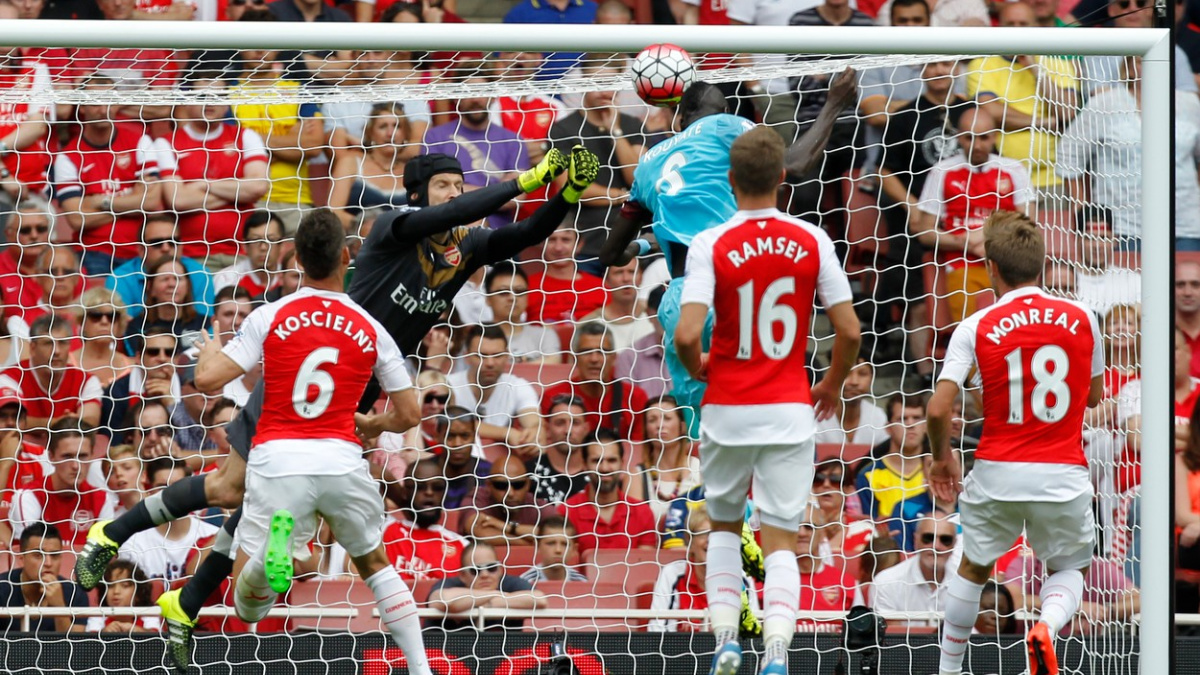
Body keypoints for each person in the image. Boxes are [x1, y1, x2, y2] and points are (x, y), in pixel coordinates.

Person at [74, 147, 596, 639]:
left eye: (459, 186)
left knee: (269, 493)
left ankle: (186, 605)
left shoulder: (469, 247)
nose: (453, 195)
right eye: (442, 186)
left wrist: (568, 191)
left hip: (357, 392)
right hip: (312, 372)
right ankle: (111, 535)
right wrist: (526, 178)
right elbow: (451, 213)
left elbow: (530, 229)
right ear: (417, 194)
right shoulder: (394, 227)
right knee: (233, 487)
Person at [162, 210, 428, 673]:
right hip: (341, 459)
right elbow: (410, 414)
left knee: (250, 609)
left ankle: (270, 561)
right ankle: (421, 669)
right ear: (347, 256)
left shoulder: (271, 314)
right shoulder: (370, 326)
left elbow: (206, 381)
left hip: (278, 460)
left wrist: (207, 351)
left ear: (296, 260)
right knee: (376, 565)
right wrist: (372, 423)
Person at [673, 125, 859, 675]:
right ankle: (776, 653)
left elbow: (686, 335)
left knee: (725, 525)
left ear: (730, 181)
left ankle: (726, 642)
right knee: (780, 538)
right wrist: (829, 384)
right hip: (788, 408)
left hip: (728, 406)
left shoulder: (712, 242)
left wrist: (699, 368)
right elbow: (848, 331)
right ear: (783, 177)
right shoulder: (812, 239)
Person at [601, 72, 858, 411]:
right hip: (733, 291)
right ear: (722, 111)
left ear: (680, 117)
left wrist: (645, 245)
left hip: (681, 301)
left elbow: (610, 254)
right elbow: (795, 163)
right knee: (759, 413)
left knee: (703, 431)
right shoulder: (726, 127)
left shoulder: (649, 161)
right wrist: (834, 103)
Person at [926, 210, 1105, 675]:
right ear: (1042, 264)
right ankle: (1044, 627)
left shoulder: (977, 325)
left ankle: (949, 669)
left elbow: (938, 408)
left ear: (992, 268)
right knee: (1069, 568)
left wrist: (943, 458)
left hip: (997, 469)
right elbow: (1094, 396)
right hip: (1063, 471)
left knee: (974, 565)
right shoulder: (1084, 317)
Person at [913, 105, 1034, 322]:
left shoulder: (1014, 169)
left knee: (1014, 330)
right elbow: (926, 233)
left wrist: (986, 239)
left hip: (1009, 267)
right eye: (969, 138)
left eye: (984, 138)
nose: (977, 145)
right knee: (972, 335)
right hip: (962, 265)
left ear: (995, 136)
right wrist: (967, 243)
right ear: (959, 137)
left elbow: (1029, 224)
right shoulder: (942, 171)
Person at [55, 74, 164, 277]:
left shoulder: (140, 141)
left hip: (140, 252)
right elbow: (77, 219)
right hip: (94, 253)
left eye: (109, 101)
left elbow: (151, 201)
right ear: (82, 107)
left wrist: (100, 201)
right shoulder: (67, 157)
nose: (103, 109)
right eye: (96, 102)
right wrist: (132, 200)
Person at [161, 73, 271, 270]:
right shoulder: (166, 143)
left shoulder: (246, 136)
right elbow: (178, 200)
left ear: (227, 103)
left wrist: (205, 185)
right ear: (187, 101)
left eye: (217, 97)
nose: (210, 103)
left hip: (243, 254)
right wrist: (238, 192)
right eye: (203, 97)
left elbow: (258, 187)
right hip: (191, 257)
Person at [648, 503, 762, 634]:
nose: (711, 540)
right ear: (689, 541)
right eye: (703, 533)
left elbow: (752, 635)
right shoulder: (672, 574)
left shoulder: (742, 578)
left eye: (717, 535)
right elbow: (656, 631)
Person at [540, 321, 649, 441]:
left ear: (613, 358)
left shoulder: (635, 398)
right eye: (586, 352)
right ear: (575, 358)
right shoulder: (552, 398)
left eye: (602, 352)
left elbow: (638, 451)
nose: (594, 359)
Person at [118, 458, 218, 587]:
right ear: (149, 492)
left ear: (190, 491)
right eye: (161, 487)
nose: (171, 494)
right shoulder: (133, 544)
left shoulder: (212, 536)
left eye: (178, 486)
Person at [9, 420, 111, 546]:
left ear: (92, 456)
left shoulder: (102, 499)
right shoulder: (28, 497)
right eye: (67, 456)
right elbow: (36, 555)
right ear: (51, 456)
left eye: (82, 456)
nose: (76, 466)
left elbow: (105, 555)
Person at [560, 430, 656, 556]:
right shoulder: (567, 512)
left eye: (611, 460)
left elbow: (644, 566)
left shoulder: (642, 512)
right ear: (584, 464)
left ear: (622, 464)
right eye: (596, 461)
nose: (604, 468)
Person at [855, 394, 932, 550]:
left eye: (917, 418)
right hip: (888, 553)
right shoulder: (868, 475)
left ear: (925, 426)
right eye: (902, 419)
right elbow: (863, 526)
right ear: (888, 428)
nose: (910, 424)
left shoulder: (936, 473)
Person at [3, 315, 102, 429]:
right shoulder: (10, 378)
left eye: (63, 343)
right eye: (48, 343)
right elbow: (9, 422)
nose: (57, 351)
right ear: (32, 348)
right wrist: (57, 423)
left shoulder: (86, 381)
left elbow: (90, 420)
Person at [446, 326, 540, 446]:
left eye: (497, 356)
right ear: (467, 356)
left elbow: (533, 422)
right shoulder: (447, 385)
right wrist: (506, 433)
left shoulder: (518, 386)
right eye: (481, 355)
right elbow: (452, 422)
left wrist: (533, 434)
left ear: (507, 356)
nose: (490, 363)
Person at [426, 541, 546, 631]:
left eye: (491, 568)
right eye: (475, 570)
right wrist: (495, 594)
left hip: (505, 658)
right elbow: (444, 600)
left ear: (500, 570)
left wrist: (488, 603)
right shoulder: (450, 584)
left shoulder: (509, 583)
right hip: (449, 656)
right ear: (463, 576)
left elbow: (540, 600)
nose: (484, 575)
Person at [869, 512, 960, 628]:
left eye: (945, 540)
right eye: (928, 538)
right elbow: (892, 638)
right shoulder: (886, 583)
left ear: (954, 544)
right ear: (915, 541)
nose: (936, 546)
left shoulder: (967, 582)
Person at [384, 457, 468, 582]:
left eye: (437, 487)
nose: (429, 492)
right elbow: (376, 473)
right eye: (420, 486)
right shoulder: (385, 527)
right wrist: (400, 498)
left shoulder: (462, 545)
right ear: (405, 491)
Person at [0, 522, 90, 632]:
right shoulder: (2, 587)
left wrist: (59, 608)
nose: (48, 563)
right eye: (38, 555)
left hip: (56, 650)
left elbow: (74, 647)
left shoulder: (75, 593)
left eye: (54, 555)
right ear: (21, 558)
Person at [628, 395, 701, 522]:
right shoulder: (637, 475)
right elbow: (635, 526)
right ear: (646, 429)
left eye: (667, 418)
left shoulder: (698, 468)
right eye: (652, 420)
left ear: (682, 427)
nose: (660, 425)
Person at [464, 454, 557, 545]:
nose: (510, 493)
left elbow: (557, 534)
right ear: (489, 486)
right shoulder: (478, 498)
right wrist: (529, 543)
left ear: (528, 485)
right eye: (501, 485)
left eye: (518, 485)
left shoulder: (537, 506)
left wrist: (507, 527)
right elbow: (480, 533)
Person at [526, 224, 608, 323]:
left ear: (579, 245)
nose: (558, 248)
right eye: (552, 240)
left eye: (565, 240)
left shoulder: (600, 287)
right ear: (542, 244)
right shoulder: (526, 286)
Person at [481, 262, 562, 364]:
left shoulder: (544, 335)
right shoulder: (478, 337)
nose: (512, 298)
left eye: (519, 292)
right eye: (503, 292)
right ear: (488, 299)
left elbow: (553, 362)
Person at [528, 394, 590, 505]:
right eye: (560, 423)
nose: (568, 430)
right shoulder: (528, 473)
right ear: (547, 429)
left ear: (586, 430)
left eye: (575, 423)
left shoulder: (599, 472)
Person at [0, 199, 54, 325]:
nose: (34, 235)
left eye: (41, 229)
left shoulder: (66, 265)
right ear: (9, 234)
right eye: (25, 230)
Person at [814, 358, 890, 447]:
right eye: (846, 373)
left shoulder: (878, 417)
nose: (854, 382)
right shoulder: (816, 413)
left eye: (862, 374)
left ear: (872, 378)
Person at [212, 210, 286, 297]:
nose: (263, 247)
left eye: (270, 240)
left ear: (282, 245)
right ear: (245, 246)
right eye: (255, 240)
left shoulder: (292, 278)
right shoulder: (227, 279)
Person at [88, 559, 160, 633]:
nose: (116, 591)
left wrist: (138, 631)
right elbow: (90, 641)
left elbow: (156, 638)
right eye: (111, 586)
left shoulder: (149, 615)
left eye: (125, 586)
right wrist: (104, 633)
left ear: (138, 593)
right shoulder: (98, 616)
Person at [520, 516, 588, 583]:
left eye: (565, 544)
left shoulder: (582, 583)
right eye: (551, 543)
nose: (558, 550)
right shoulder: (525, 582)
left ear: (574, 549)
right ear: (537, 546)